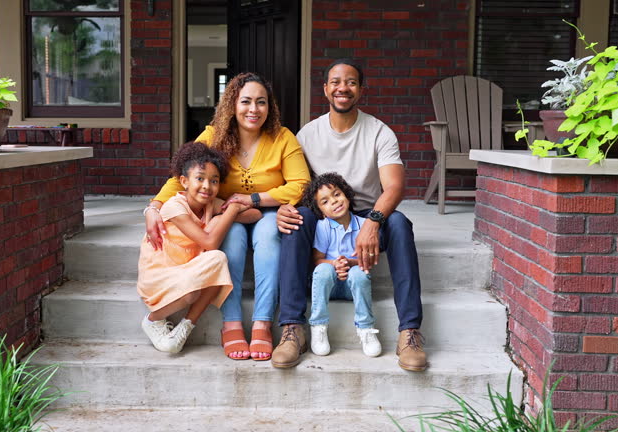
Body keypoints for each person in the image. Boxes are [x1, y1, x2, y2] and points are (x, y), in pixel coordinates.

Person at [272, 58, 428, 371]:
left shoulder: (379, 132)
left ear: (360, 89)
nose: (343, 88)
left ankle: (409, 332)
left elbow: (394, 188)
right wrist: (282, 209)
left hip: (370, 213)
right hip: (326, 214)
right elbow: (294, 185)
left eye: (351, 82)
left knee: (399, 222)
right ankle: (292, 328)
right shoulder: (308, 134)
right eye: (336, 82)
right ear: (326, 89)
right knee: (297, 220)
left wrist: (373, 222)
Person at [145, 73, 310, 361]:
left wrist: (254, 199)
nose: (253, 109)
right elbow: (180, 175)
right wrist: (153, 208)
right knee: (230, 240)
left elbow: (300, 184)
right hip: (226, 212)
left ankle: (261, 323)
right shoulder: (213, 136)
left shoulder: (282, 137)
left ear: (269, 107)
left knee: (270, 236)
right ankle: (231, 323)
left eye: (261, 102)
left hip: (267, 211)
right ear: (232, 104)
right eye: (245, 101)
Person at [137, 141, 252, 354]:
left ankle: (185, 327)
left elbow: (256, 215)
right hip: (161, 275)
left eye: (214, 181)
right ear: (184, 181)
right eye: (200, 179)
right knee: (195, 288)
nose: (207, 186)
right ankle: (153, 320)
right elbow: (209, 242)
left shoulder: (211, 203)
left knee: (217, 262)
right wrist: (231, 210)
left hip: (188, 270)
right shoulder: (174, 206)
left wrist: (232, 207)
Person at [302, 172, 381, 358]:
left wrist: (350, 262)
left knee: (359, 273)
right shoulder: (323, 227)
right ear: (321, 210)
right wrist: (334, 264)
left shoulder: (364, 225)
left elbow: (370, 260)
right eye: (325, 201)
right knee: (323, 269)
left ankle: (366, 328)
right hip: (329, 286)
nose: (334, 202)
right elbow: (317, 260)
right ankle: (318, 326)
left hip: (352, 287)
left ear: (346, 194)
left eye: (336, 194)